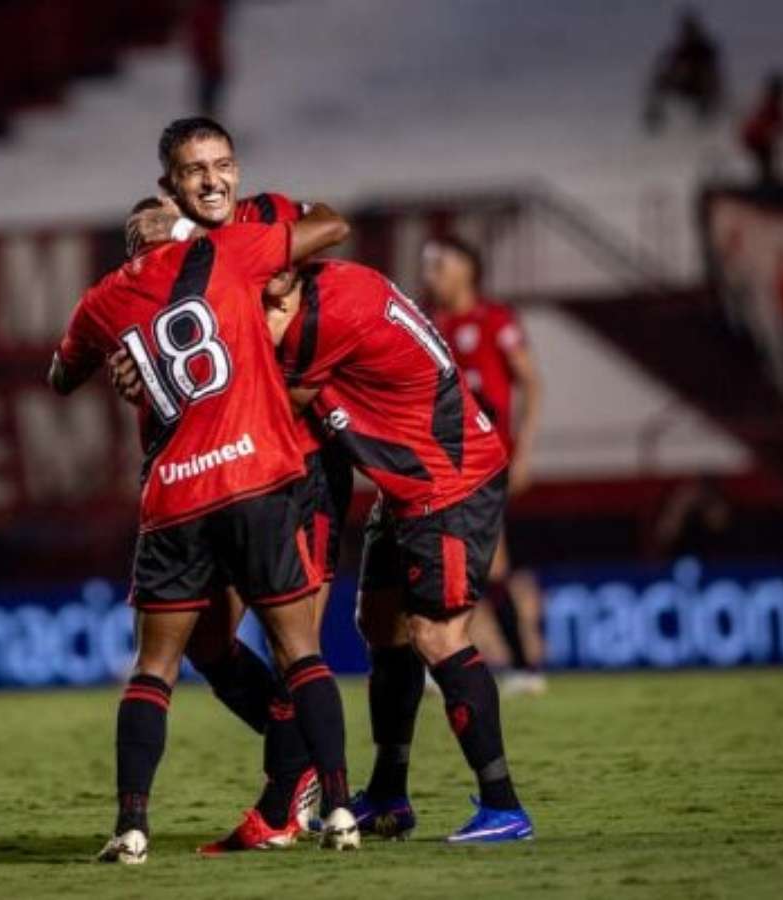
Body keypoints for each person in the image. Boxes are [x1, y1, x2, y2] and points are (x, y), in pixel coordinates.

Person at [116, 211, 534, 846]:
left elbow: (259, 403)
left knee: (436, 633)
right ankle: (387, 795)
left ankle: (503, 805)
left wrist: (152, 372)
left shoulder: (324, 317)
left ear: (282, 280)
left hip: (447, 481)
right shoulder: (316, 290)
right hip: (403, 484)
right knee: (382, 627)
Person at [49, 177, 358, 860]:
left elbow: (60, 376)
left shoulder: (108, 299)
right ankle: (337, 804)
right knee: (266, 649)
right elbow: (330, 227)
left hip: (208, 489)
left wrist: (120, 347)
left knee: (159, 665)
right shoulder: (226, 253)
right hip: (252, 479)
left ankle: (140, 825)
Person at [425, 237, 546, 695]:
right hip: (440, 464)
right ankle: (512, 667)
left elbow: (531, 384)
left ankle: (520, 667)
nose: (431, 272)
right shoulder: (428, 323)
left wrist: (525, 452)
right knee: (447, 558)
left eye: (439, 262)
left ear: (468, 268)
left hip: (485, 463)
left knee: (487, 561)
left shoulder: (495, 320)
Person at [644, 8, 723, 131]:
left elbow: (714, 71)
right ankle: (654, 117)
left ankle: (705, 115)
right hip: (684, 83)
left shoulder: (705, 47)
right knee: (659, 80)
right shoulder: (681, 48)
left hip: (701, 86)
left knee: (705, 78)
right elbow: (670, 64)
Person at [741, 72, 783, 185]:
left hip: (758, 137)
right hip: (757, 137)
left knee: (767, 159)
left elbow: (779, 122)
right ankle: (767, 182)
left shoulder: (771, 103)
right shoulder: (771, 104)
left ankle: (768, 180)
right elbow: (774, 122)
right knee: (766, 159)